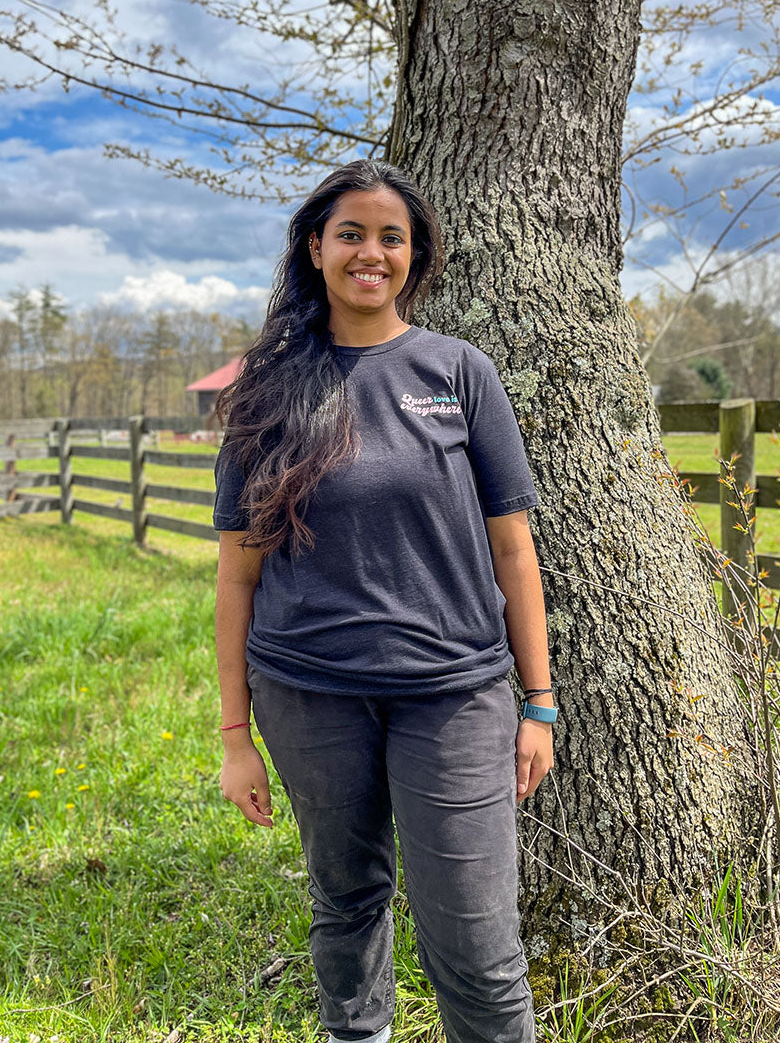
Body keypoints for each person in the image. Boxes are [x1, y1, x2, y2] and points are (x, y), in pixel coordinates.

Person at [213, 158, 556, 1043]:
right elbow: (236, 578)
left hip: (455, 693)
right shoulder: (268, 389)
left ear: (415, 256)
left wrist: (540, 703)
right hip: (309, 693)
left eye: (391, 237)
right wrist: (233, 736)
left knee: (477, 944)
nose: (372, 252)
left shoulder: (459, 372)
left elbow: (514, 553)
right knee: (348, 901)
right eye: (352, 234)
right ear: (317, 250)